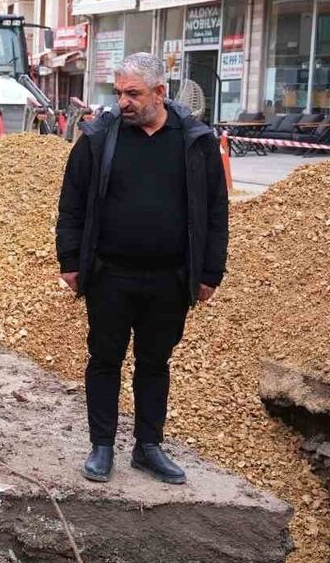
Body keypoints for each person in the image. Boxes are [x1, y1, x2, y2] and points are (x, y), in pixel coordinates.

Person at [56, 52, 228, 485]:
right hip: (110, 275)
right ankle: (102, 447)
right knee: (104, 359)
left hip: (170, 278)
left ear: (160, 93)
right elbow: (71, 202)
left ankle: (148, 447)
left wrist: (210, 272)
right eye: (118, 93)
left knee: (155, 362)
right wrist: (71, 260)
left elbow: (215, 211)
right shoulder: (99, 136)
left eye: (132, 93)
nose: (123, 102)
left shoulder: (194, 140)